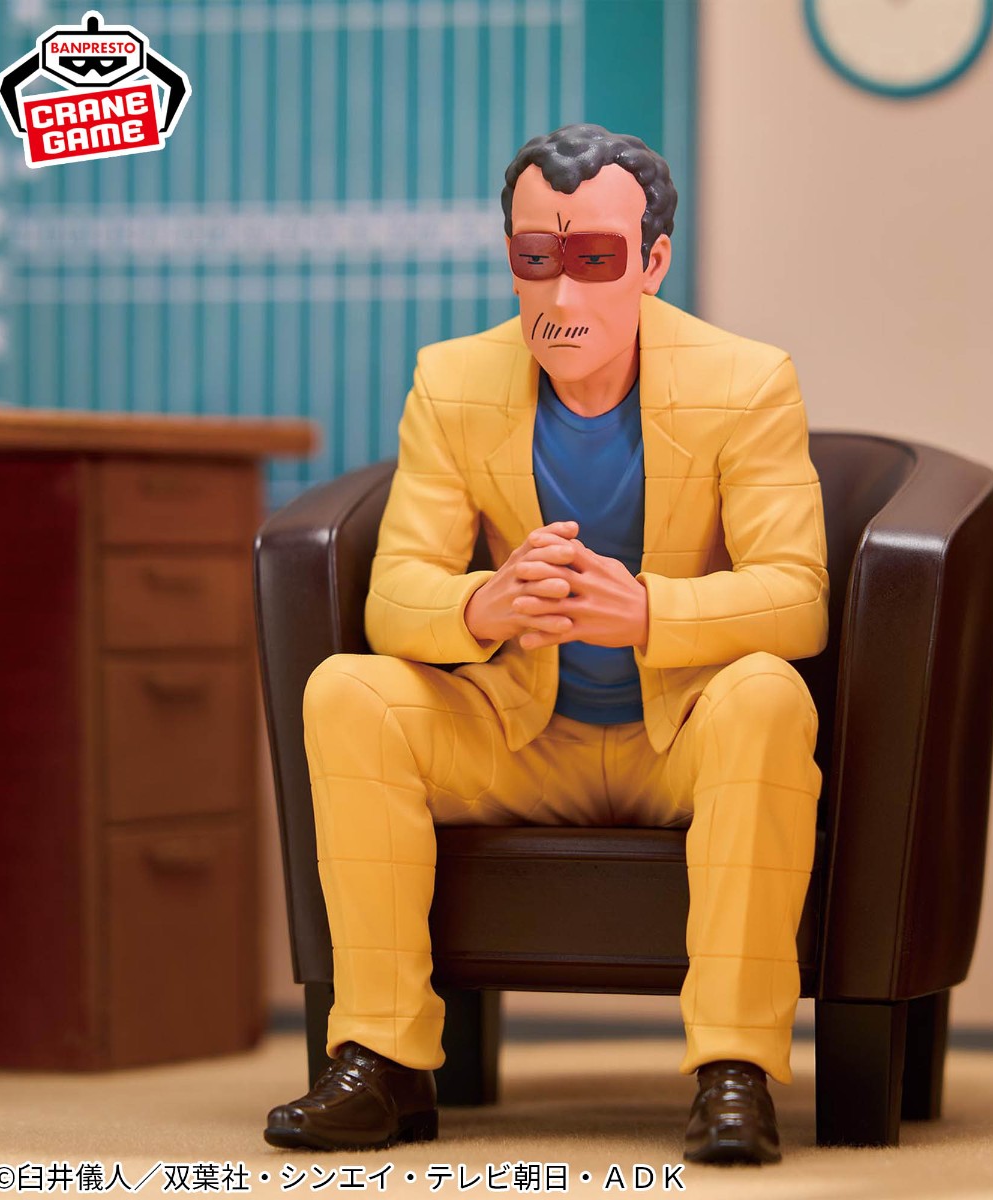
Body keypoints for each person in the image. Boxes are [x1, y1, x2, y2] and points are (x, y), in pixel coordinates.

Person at [264, 123, 829, 1166]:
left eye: (594, 259)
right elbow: (396, 597)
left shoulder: (749, 382)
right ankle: (382, 1060)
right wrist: (486, 606)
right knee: (348, 689)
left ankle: (734, 1069)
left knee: (766, 693)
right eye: (537, 258)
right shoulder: (452, 381)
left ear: (653, 262)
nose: (561, 295)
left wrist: (647, 612)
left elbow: (798, 599)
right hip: (518, 736)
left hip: (680, 737)